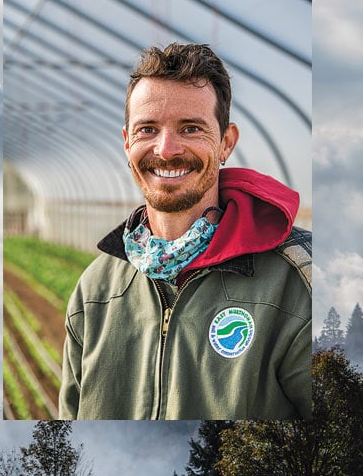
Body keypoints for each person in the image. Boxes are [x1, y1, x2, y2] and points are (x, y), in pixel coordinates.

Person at [58, 43, 311, 420]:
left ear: (226, 142)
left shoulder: (296, 282)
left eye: (191, 128)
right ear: (127, 142)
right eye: (148, 129)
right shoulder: (96, 290)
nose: (166, 149)